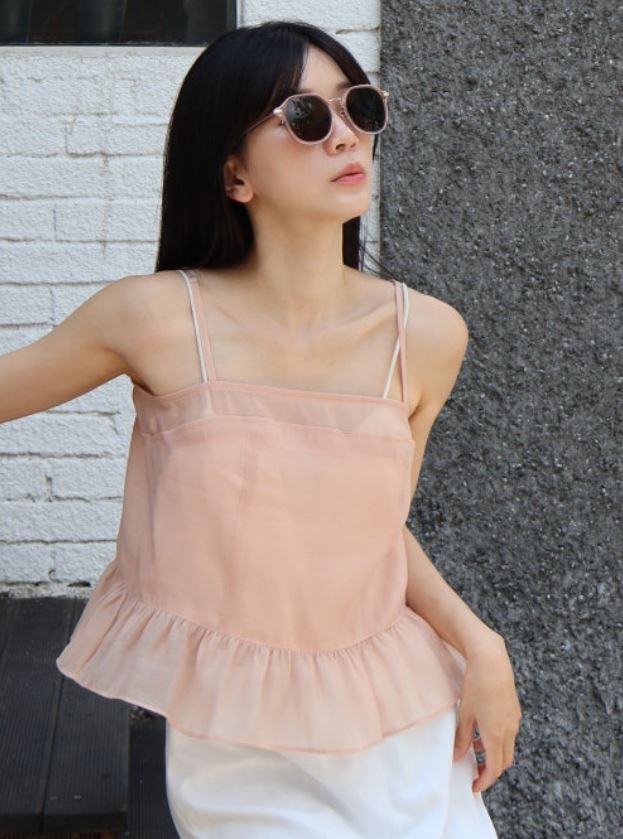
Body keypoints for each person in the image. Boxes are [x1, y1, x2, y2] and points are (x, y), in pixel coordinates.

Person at [0, 19, 521, 838]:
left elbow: (374, 535)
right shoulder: (155, 319)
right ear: (234, 173)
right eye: (305, 117)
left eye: (359, 107)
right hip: (239, 747)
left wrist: (479, 643)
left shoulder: (424, 336)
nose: (344, 135)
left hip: (401, 729)